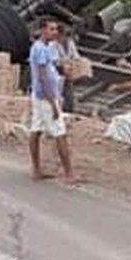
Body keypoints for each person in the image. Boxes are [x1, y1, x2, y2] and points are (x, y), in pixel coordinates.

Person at [29, 18, 76, 183]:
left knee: (36, 130)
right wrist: (53, 102)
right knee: (60, 132)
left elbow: (52, 69)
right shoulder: (41, 49)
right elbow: (43, 77)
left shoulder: (44, 47)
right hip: (46, 97)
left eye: (55, 29)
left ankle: (36, 169)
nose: (55, 32)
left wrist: (63, 71)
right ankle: (69, 174)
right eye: (51, 29)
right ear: (42, 30)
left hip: (39, 95)